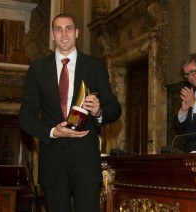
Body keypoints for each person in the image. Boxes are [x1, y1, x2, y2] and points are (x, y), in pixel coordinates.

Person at [19, 13, 121, 211]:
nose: (63, 34)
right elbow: (25, 116)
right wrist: (52, 131)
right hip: (52, 161)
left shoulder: (95, 66)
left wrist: (99, 111)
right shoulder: (37, 68)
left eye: (68, 28)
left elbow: (115, 109)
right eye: (58, 29)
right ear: (52, 34)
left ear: (76, 32)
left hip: (86, 161)